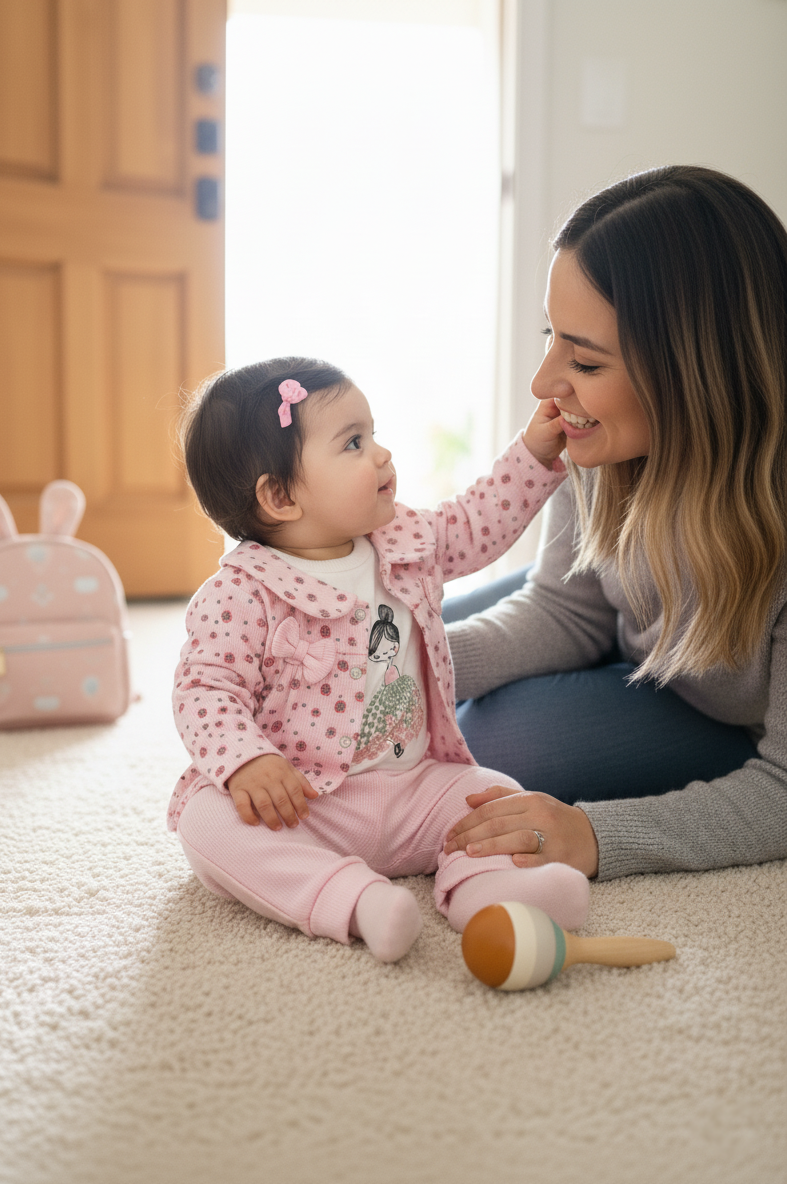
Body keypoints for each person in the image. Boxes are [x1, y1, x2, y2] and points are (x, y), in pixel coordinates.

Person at [167, 357, 589, 964]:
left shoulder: (405, 539)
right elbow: (205, 689)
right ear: (280, 495)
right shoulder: (240, 592)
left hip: (417, 787)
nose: (383, 454)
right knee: (207, 821)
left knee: (492, 796)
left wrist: (534, 452)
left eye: (373, 434)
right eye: (354, 443)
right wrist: (245, 762)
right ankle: (352, 900)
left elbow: (475, 521)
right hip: (307, 805)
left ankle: (494, 891)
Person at [441, 165, 787, 883]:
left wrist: (594, 835)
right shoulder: (602, 446)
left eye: (586, 359)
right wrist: (407, 673)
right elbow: (567, 607)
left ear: (697, 373)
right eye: (551, 335)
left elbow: (782, 790)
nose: (544, 382)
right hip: (621, 639)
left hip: (724, 716)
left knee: (487, 749)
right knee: (401, 637)